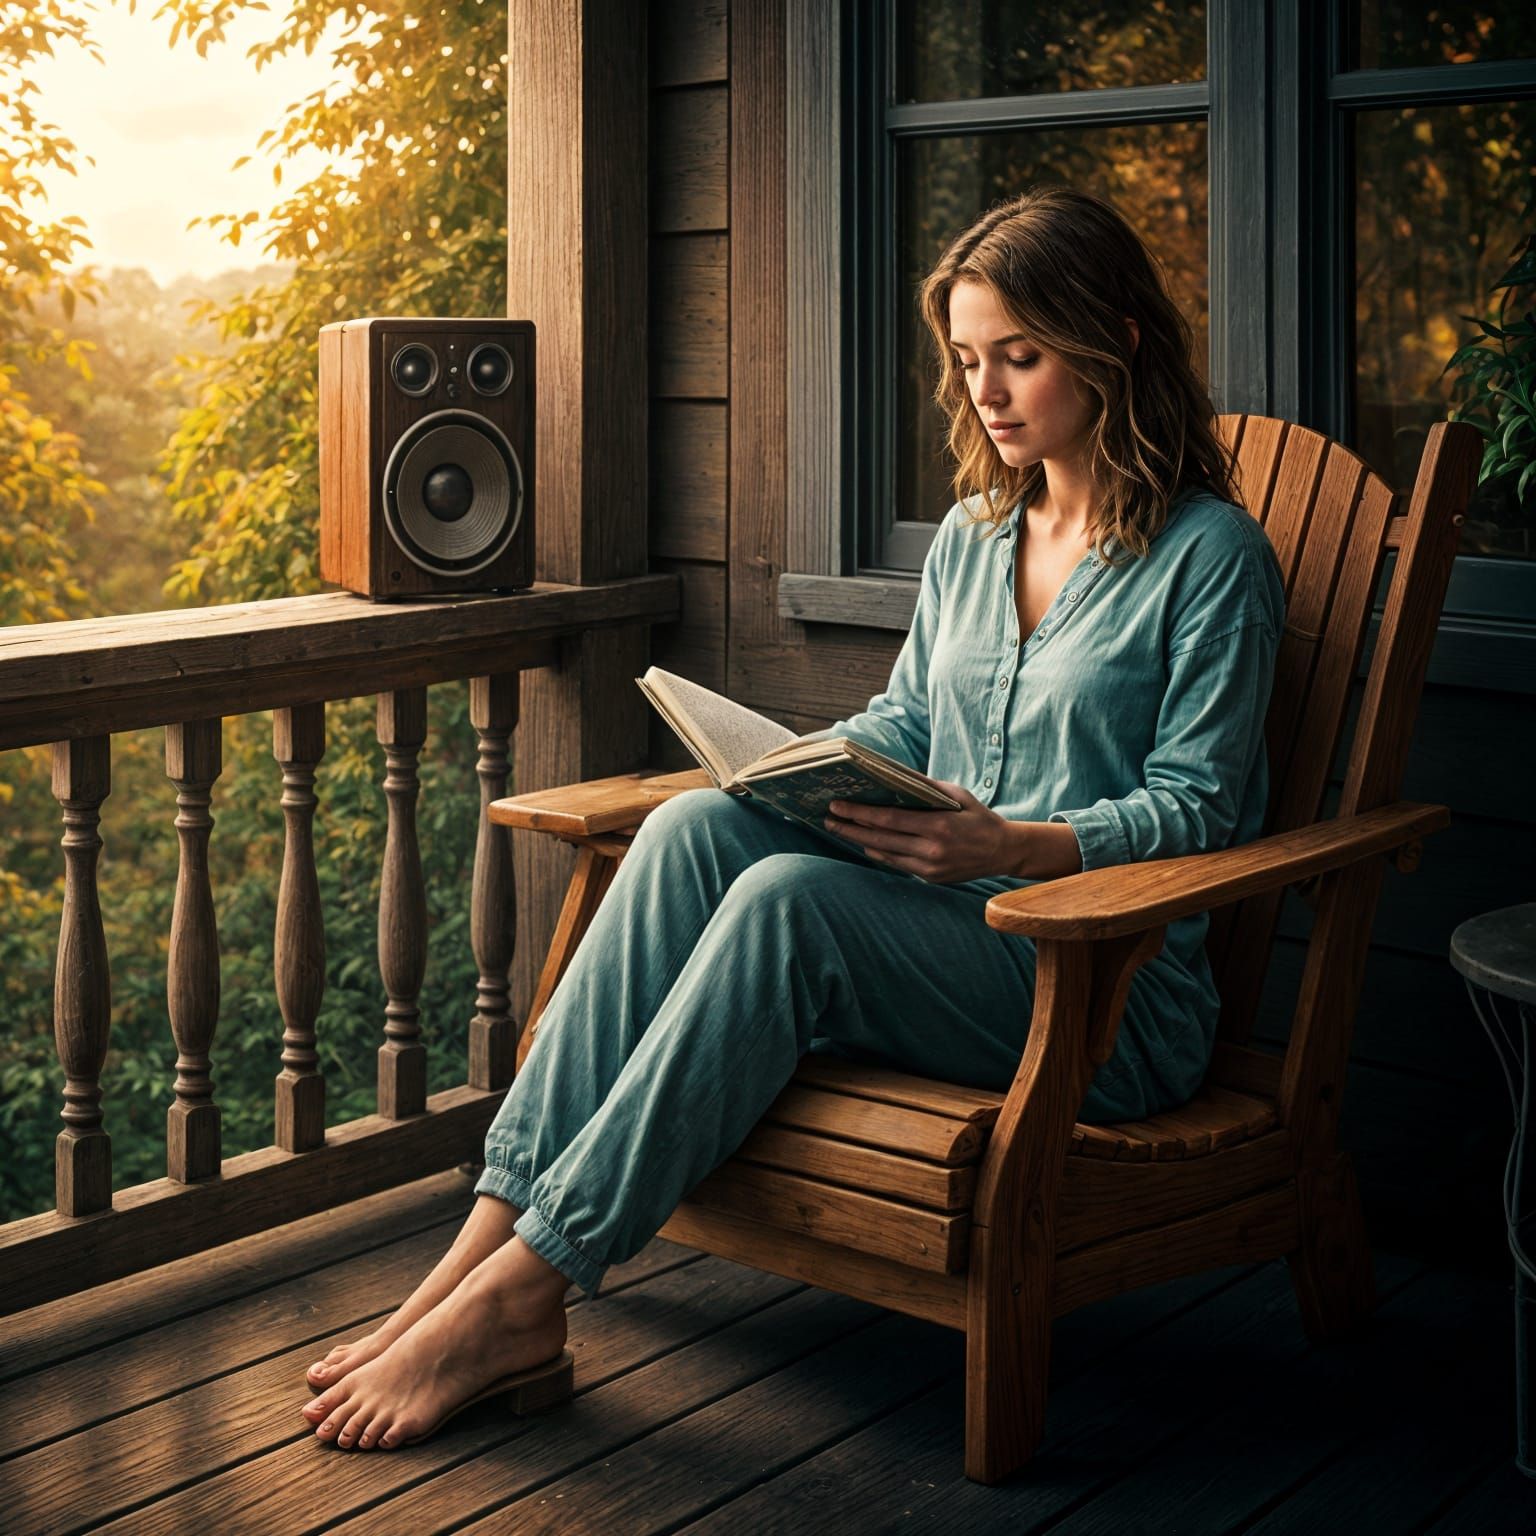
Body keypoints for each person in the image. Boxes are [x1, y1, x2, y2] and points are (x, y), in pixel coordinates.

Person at [299, 185, 1285, 1451]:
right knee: (692, 833)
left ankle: (528, 1295)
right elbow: (911, 725)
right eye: (970, 360)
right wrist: (781, 764)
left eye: (1021, 357)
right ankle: (470, 1268)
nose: (987, 391)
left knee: (788, 904)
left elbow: (1204, 808)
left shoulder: (1213, 560)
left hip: (1105, 992)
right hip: (949, 932)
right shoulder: (980, 538)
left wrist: (1021, 846)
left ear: (1117, 342)